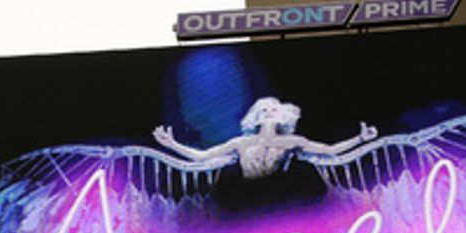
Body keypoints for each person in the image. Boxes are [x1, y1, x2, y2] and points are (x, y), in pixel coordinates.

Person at [152, 97, 377, 180]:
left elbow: (331, 150)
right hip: (243, 199)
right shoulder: (240, 143)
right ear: (256, 118)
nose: (269, 113)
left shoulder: (292, 141)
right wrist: (171, 144)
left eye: (274, 110)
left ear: (283, 117)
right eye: (265, 110)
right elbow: (202, 157)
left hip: (279, 199)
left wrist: (360, 139)